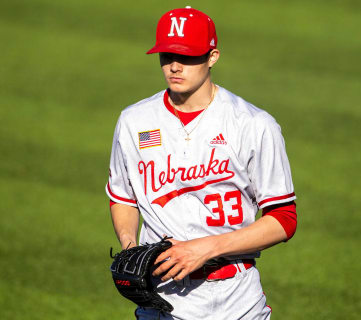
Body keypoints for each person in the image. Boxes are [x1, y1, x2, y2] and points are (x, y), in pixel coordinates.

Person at [106, 6, 297, 320]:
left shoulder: (253, 125)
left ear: (213, 56)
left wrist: (206, 248)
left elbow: (284, 218)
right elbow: (122, 197)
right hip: (162, 296)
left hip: (236, 298)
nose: (175, 66)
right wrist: (129, 244)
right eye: (166, 55)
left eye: (189, 56)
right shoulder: (134, 121)